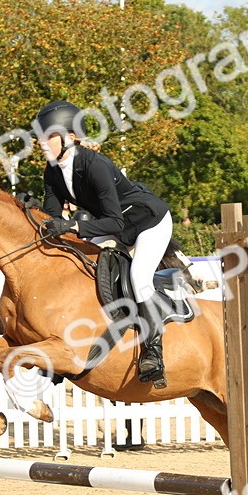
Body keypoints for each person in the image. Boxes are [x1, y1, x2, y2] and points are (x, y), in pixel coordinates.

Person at [33, 100, 174, 386]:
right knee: (77, 263)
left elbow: (115, 222)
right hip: (110, 224)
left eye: (49, 136)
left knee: (139, 276)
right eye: (40, 137)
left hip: (148, 222)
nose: (41, 143)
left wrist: (73, 225)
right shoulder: (52, 171)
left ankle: (153, 352)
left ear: (71, 137)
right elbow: (51, 218)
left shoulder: (95, 165)